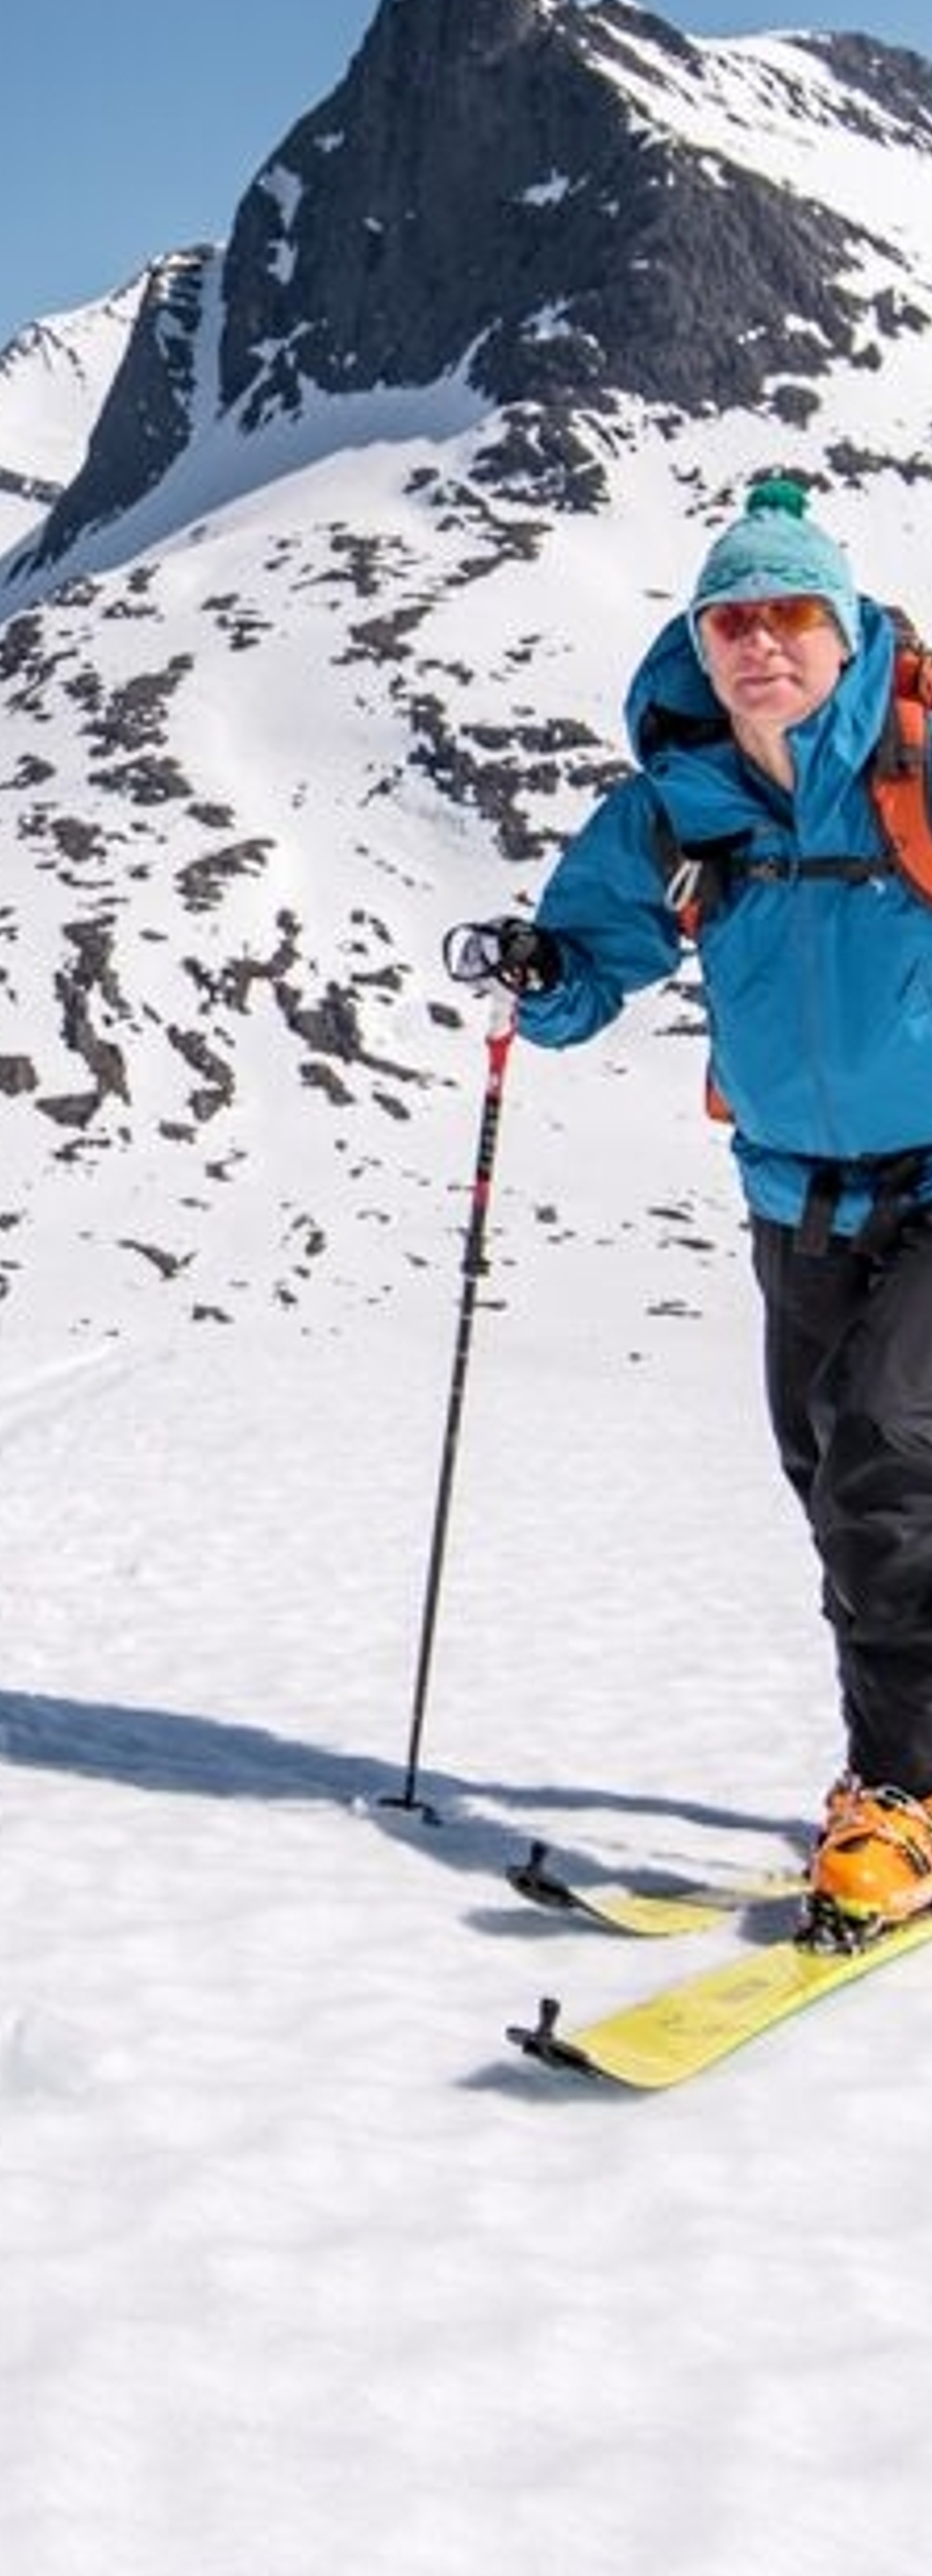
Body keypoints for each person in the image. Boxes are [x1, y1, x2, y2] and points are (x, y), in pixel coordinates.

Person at [450, 472, 932, 1936]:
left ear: (843, 633)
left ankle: (897, 1794)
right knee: (824, 1475)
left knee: (878, 1455)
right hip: (793, 1192)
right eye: (730, 615)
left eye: (790, 612)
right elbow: (589, 966)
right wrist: (534, 975)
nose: (758, 640)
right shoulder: (677, 801)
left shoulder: (911, 763)